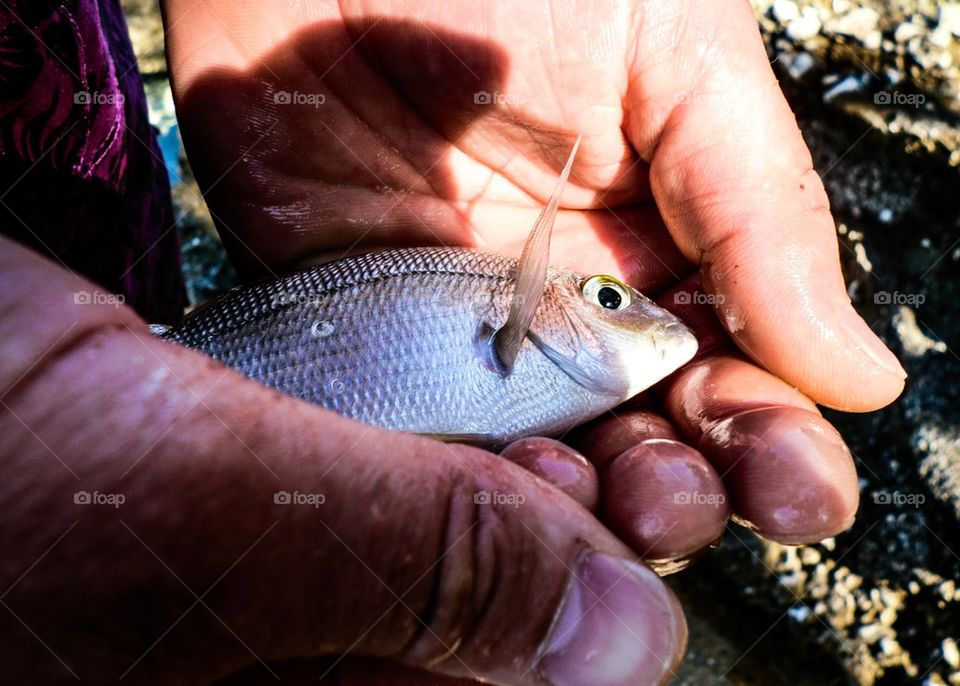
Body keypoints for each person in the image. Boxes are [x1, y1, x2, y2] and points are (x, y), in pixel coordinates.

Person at [0, 0, 906, 683]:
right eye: (606, 297)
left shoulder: (561, 357)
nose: (652, 325)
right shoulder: (527, 320)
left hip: (64, 126)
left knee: (112, 312)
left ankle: (120, 372)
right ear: (538, 302)